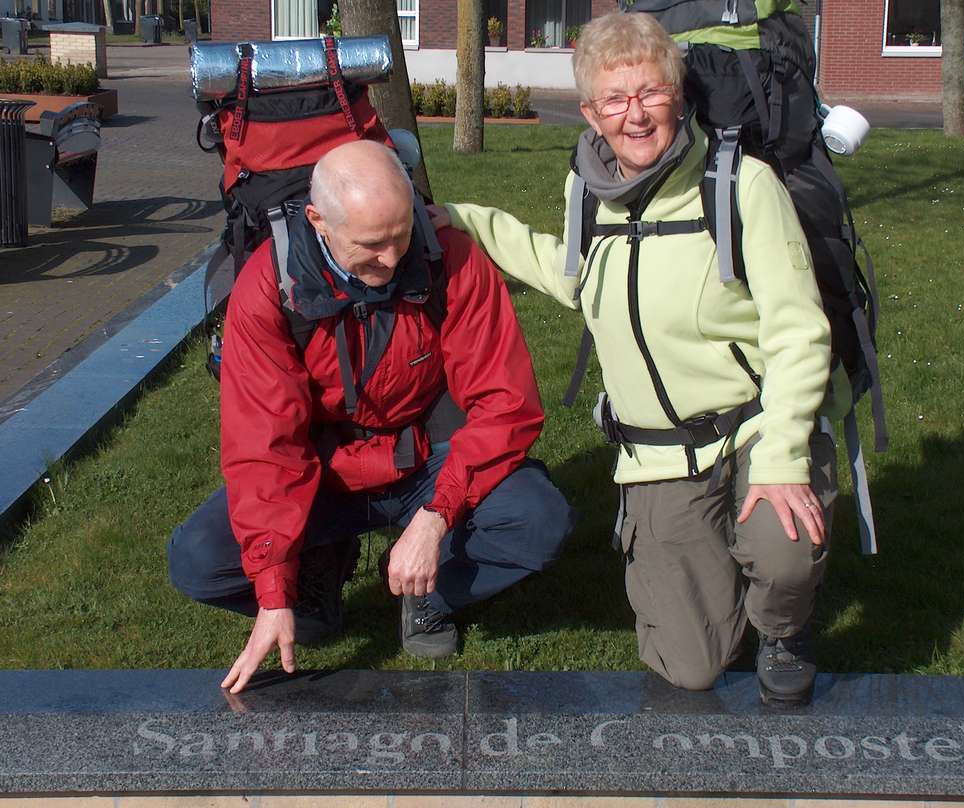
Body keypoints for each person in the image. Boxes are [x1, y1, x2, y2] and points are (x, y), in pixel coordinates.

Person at [429, 12, 840, 704]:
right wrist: (470, 221)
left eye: (650, 92)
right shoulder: (584, 189)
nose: (636, 114)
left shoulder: (742, 185)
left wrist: (783, 459)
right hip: (656, 453)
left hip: (752, 427)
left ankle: (782, 623)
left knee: (782, 544)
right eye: (615, 100)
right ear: (590, 112)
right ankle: (720, 578)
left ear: (677, 96)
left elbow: (800, 331)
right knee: (689, 666)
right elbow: (570, 277)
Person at [168, 140, 575, 694]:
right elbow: (266, 446)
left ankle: (427, 594)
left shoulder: (449, 258)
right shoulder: (268, 288)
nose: (390, 259)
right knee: (199, 559)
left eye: (402, 234)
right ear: (318, 223)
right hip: (323, 473)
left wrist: (435, 518)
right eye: (371, 244)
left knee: (538, 520)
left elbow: (506, 405)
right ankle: (314, 581)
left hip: (428, 460)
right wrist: (272, 591)